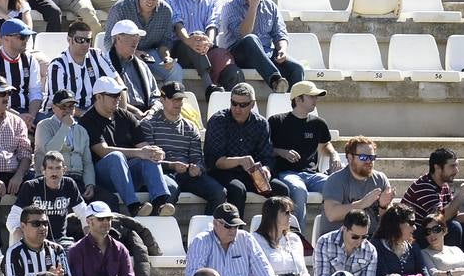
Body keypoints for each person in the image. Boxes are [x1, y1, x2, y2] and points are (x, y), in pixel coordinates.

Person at [79, 76, 175, 215]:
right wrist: (139, 152)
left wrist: (154, 152)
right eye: (113, 95)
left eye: (118, 94)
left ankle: (160, 203)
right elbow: (103, 151)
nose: (118, 98)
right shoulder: (87, 120)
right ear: (98, 97)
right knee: (116, 157)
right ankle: (134, 206)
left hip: (127, 174)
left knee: (149, 156)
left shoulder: (125, 116)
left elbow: (144, 147)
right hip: (103, 179)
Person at [184, 203, 276, 276]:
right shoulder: (201, 241)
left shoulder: (246, 239)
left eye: (236, 226)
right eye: (228, 226)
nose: (233, 230)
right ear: (215, 223)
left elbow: (264, 271)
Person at [204, 82, 289, 210]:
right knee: (237, 189)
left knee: (281, 190)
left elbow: (267, 157)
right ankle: (236, 229)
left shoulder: (260, 123)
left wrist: (266, 169)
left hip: (251, 174)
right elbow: (215, 162)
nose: (237, 109)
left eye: (243, 105)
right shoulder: (218, 121)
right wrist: (240, 161)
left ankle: (274, 229)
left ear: (252, 104)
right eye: (234, 103)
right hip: (222, 173)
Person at [219, 0, 304, 93]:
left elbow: (279, 33)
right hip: (239, 54)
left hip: (266, 54)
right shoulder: (230, 6)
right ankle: (275, 80)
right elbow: (244, 34)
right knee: (251, 39)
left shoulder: (271, 7)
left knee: (297, 68)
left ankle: (294, 107)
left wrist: (282, 50)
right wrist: (253, 6)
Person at [165, 0, 241, 99]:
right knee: (196, 37)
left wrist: (208, 41)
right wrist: (189, 40)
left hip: (207, 47)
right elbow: (177, 24)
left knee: (233, 71)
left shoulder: (214, 0)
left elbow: (213, 23)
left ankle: (233, 103)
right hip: (181, 48)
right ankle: (208, 86)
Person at [266, 81, 337, 226]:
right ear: (298, 99)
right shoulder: (276, 121)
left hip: (313, 174)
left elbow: (326, 144)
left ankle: (332, 233)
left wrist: (334, 155)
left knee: (336, 185)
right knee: (299, 189)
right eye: (312, 97)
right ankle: (299, 237)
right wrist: (282, 152)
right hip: (287, 173)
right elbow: (265, 150)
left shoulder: (319, 123)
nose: (315, 100)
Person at [143, 81, 215, 206]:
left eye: (180, 99)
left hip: (187, 175)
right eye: (173, 99)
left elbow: (198, 158)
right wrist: (172, 166)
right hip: (162, 173)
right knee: (169, 191)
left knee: (219, 193)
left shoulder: (191, 127)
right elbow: (149, 159)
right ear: (162, 100)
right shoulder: (149, 124)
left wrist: (197, 169)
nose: (178, 103)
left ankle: (214, 225)